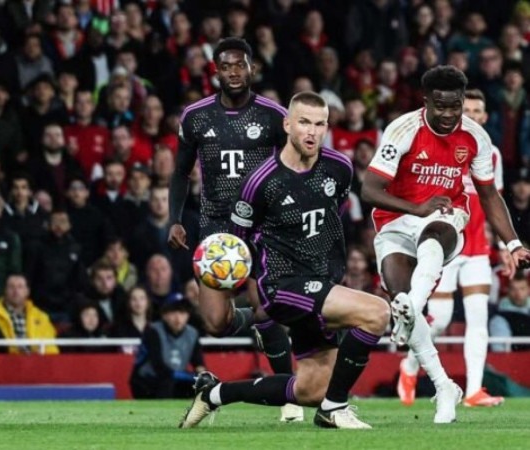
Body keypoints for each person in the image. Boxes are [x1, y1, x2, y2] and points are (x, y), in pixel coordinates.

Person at [180, 91, 389, 430]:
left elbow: (330, 227)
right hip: (280, 286)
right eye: (304, 122)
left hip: (321, 282)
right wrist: (253, 295)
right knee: (377, 313)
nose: (312, 132)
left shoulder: (340, 168)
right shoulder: (260, 183)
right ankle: (335, 409)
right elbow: (240, 246)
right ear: (287, 124)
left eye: (320, 124)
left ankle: (214, 394)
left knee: (309, 389)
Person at [361, 66, 530, 423]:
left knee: (436, 233)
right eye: (441, 106)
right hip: (395, 222)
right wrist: (414, 208)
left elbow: (489, 195)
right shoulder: (402, 130)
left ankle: (414, 308)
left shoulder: (476, 138)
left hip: (447, 219)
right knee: (404, 297)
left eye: (456, 106)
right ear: (426, 102)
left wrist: (512, 242)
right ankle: (444, 387)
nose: (450, 114)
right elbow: (370, 190)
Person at [166, 37, 300, 422]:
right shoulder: (195, 117)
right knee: (217, 323)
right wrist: (175, 218)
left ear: (251, 68)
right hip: (214, 232)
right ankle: (258, 321)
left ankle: (289, 396)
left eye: (240, 65)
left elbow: (291, 168)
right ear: (216, 71)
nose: (234, 73)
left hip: (261, 227)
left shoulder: (275, 116)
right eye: (226, 67)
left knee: (267, 308)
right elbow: (179, 171)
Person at [397, 89, 506, 408]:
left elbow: (493, 201)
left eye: (478, 110)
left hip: (477, 247)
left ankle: (473, 390)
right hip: (446, 244)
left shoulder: (492, 154)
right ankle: (410, 366)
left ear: (485, 117)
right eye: (467, 109)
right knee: (440, 317)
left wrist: (504, 243)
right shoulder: (443, 147)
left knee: (478, 318)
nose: (472, 114)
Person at [131, 298, 205, 399]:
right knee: (167, 382)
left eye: (182, 312)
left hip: (174, 380)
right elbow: (158, 366)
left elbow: (198, 363)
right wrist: (184, 375)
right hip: (146, 380)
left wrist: (202, 377)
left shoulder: (192, 334)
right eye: (173, 312)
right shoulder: (153, 331)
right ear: (164, 315)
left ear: (188, 315)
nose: (178, 318)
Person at [0, 274, 59, 355]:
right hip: (4, 363)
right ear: (5, 290)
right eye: (11, 287)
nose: (15, 291)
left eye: (20, 287)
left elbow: (52, 348)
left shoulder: (41, 317)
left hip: (36, 364)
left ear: (27, 291)